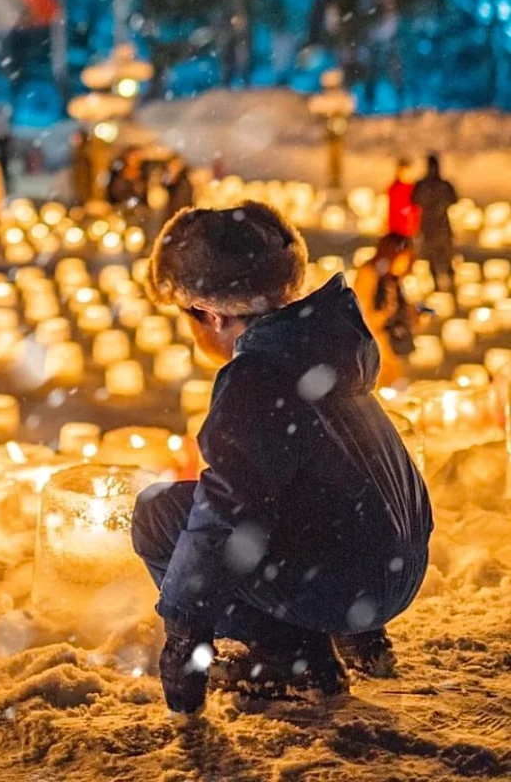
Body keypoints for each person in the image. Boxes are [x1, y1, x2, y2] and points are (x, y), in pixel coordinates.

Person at [131, 202, 432, 713]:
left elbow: (225, 517)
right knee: (292, 495)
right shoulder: (326, 342)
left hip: (347, 581)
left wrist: (184, 630)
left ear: (211, 312)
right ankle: (355, 636)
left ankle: (285, 657)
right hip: (396, 566)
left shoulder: (256, 378)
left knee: (160, 513)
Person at [354, 233, 420, 387]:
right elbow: (363, 315)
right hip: (376, 344)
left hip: (390, 344)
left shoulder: (393, 280)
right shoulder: (369, 275)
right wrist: (384, 315)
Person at [412, 153, 457, 291]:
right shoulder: (440, 185)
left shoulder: (426, 185)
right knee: (436, 258)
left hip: (435, 227)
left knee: (443, 258)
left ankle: (447, 287)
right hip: (435, 227)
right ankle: (441, 288)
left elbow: (453, 199)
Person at [387, 159, 419, 238]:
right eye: (404, 171)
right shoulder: (394, 189)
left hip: (411, 228)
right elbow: (393, 209)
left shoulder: (413, 188)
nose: (406, 174)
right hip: (397, 230)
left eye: (407, 171)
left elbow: (416, 208)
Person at [162, 155, 194, 221]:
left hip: (186, 211)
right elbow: (165, 183)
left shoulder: (185, 177)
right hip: (173, 212)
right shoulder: (169, 177)